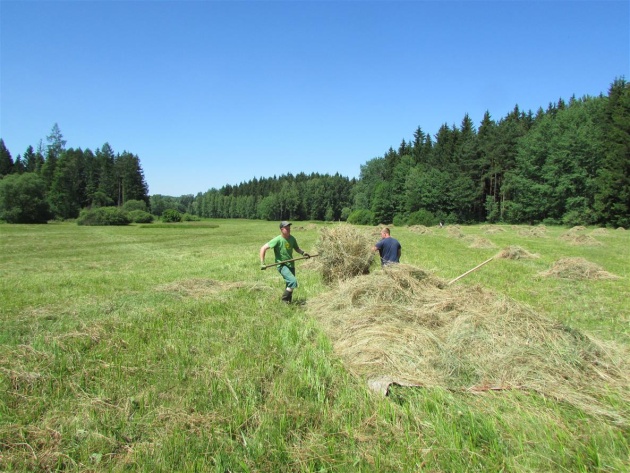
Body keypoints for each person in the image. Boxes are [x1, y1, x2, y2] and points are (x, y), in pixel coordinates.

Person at [260, 221, 310, 303]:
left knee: (289, 284)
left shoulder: (292, 239)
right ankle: (284, 300)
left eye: (289, 228)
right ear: (281, 229)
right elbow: (263, 248)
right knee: (293, 281)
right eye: (286, 228)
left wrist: (303, 253)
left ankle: (288, 302)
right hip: (282, 265)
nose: (289, 230)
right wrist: (262, 262)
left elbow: (296, 248)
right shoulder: (277, 240)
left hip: (291, 264)